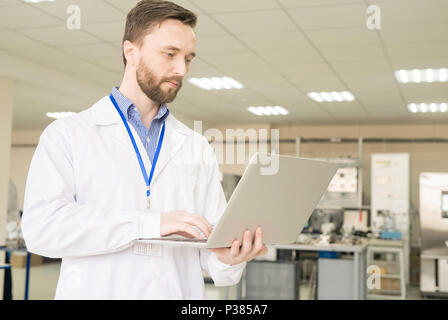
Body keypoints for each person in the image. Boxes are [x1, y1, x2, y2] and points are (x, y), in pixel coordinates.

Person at [22, 0, 267, 299]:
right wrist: (151, 224)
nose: (182, 70)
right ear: (131, 52)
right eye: (170, 54)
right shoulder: (68, 135)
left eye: (188, 58)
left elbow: (211, 251)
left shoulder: (196, 146)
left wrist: (230, 259)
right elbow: (42, 230)